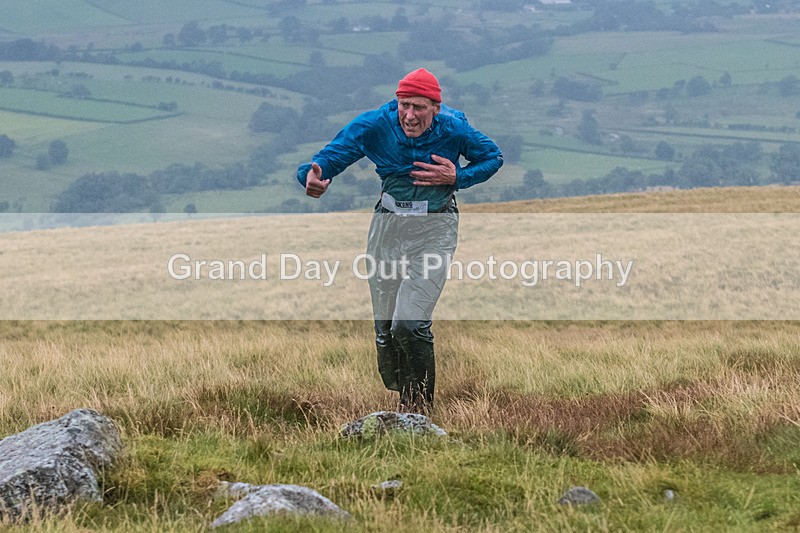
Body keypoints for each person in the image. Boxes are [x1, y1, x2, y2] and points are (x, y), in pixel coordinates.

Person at [296, 68, 503, 413]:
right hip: (388, 227)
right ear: (396, 102)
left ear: (435, 108)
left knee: (410, 322)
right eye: (404, 105)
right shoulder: (375, 124)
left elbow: (492, 156)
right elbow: (325, 160)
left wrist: (459, 176)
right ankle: (403, 393)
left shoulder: (455, 127)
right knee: (386, 331)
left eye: (419, 107)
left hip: (436, 226)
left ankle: (419, 411)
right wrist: (311, 178)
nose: (409, 115)